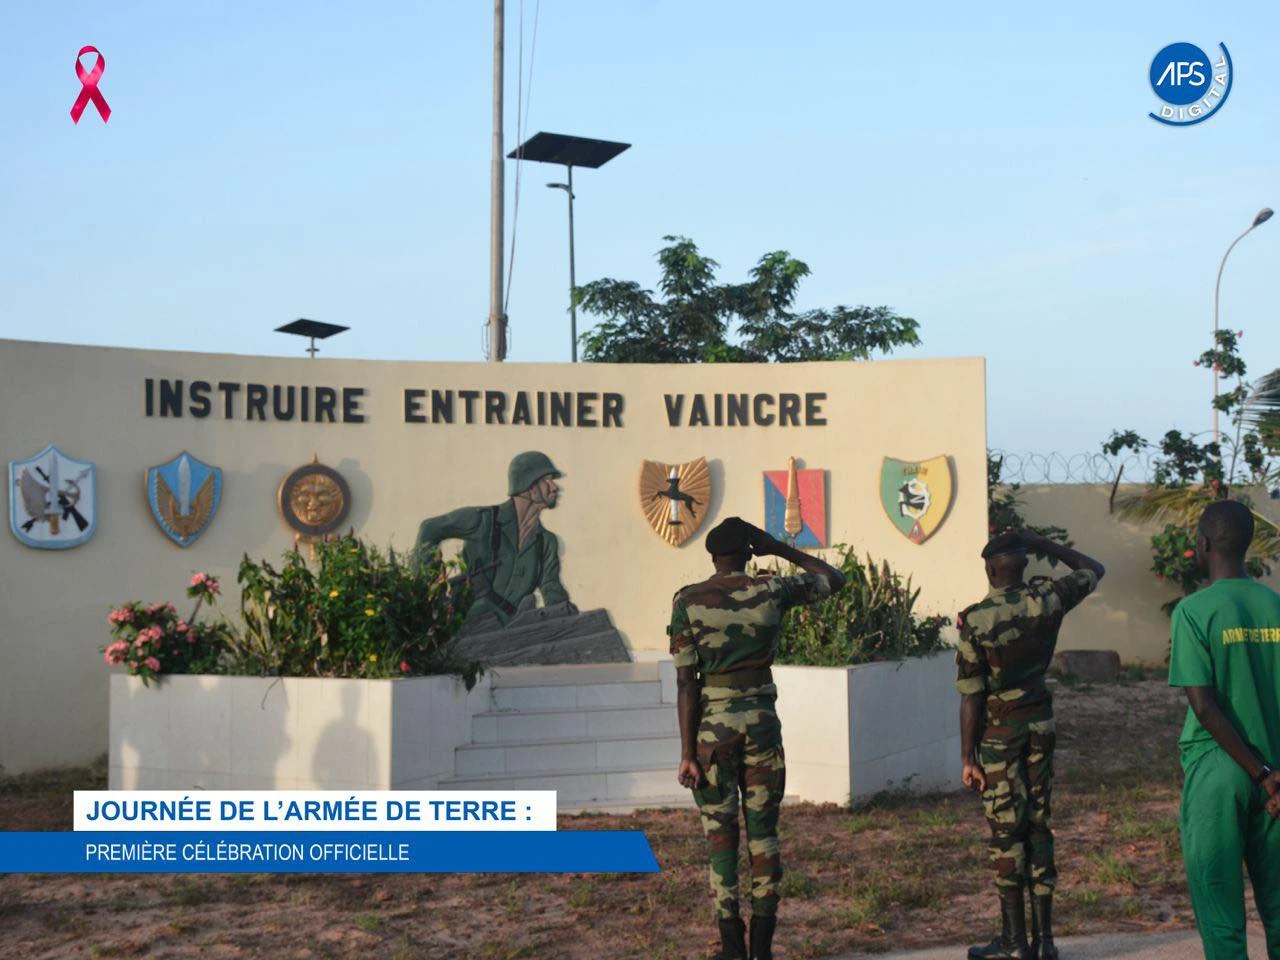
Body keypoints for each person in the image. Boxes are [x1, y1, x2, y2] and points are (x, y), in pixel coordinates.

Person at [669, 517, 846, 960]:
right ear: (750, 553)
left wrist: (689, 753)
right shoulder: (771, 591)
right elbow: (833, 579)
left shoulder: (688, 600)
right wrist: (781, 549)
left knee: (721, 838)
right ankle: (762, 950)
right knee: (764, 836)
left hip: (714, 735)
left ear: (712, 556)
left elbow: (687, 682)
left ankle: (732, 949)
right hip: (763, 728)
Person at [956, 529, 1105, 960]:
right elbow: (1094, 570)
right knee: (1039, 826)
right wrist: (1048, 545)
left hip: (1000, 737)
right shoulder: (1049, 600)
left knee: (1007, 834)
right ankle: (1045, 943)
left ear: (989, 569)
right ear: (1023, 566)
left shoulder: (976, 619)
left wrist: (968, 758)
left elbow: (971, 696)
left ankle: (1014, 944)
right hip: (1041, 726)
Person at [1168, 499, 1280, 960]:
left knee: (1221, 914)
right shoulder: (1275, 604)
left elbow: (1206, 708)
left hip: (1221, 770)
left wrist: (1257, 772)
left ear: (1203, 543)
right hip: (1277, 775)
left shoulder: (1193, 611)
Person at [413, 451, 571, 630]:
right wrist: (427, 584)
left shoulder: (546, 541)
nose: (554, 487)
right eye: (546, 480)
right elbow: (429, 529)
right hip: (464, 625)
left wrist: (563, 613)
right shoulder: (484, 520)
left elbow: (550, 585)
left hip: (505, 632)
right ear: (529, 487)